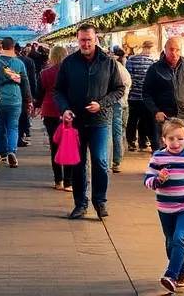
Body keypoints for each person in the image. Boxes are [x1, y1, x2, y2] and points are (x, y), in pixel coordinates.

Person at [53, 23, 125, 219]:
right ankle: (80, 203)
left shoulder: (108, 62)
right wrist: (65, 109)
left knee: (100, 160)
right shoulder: (69, 63)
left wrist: (102, 104)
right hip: (76, 122)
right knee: (78, 164)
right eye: (82, 40)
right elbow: (58, 90)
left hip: (100, 120)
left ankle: (100, 201)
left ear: (96, 39)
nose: (86, 44)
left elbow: (119, 89)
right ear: (78, 40)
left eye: (89, 40)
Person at [146, 117, 184, 292]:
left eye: (180, 138)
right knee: (170, 242)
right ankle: (183, 269)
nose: (176, 143)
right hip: (165, 207)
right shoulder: (158, 157)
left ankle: (171, 275)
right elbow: (148, 181)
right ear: (163, 139)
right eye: (171, 138)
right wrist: (158, 179)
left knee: (179, 237)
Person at [144, 37, 184, 160]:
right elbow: (146, 94)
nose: (174, 53)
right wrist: (156, 111)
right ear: (165, 49)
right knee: (163, 154)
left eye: (177, 50)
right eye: (171, 49)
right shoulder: (155, 68)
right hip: (164, 119)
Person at [0, 37, 31, 174]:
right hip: (15, 98)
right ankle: (11, 151)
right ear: (13, 47)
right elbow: (25, 83)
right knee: (12, 127)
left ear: (1, 46)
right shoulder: (19, 63)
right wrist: (29, 100)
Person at [39, 45, 74, 191]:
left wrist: (36, 105)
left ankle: (58, 180)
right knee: (69, 145)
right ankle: (69, 182)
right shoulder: (71, 72)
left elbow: (40, 92)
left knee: (55, 145)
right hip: (67, 110)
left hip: (49, 110)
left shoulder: (45, 73)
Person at [126, 40, 158, 152]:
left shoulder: (131, 59)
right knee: (145, 120)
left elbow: (128, 78)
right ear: (151, 48)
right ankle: (142, 143)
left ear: (142, 47)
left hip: (133, 96)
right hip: (146, 97)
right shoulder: (153, 61)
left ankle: (131, 142)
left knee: (132, 119)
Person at [111, 47, 132, 173]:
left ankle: (116, 159)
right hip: (122, 102)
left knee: (116, 131)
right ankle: (117, 157)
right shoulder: (122, 69)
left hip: (117, 103)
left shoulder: (115, 69)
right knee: (119, 130)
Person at [15, 41, 38, 148]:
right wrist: (33, 95)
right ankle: (21, 135)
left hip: (12, 93)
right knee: (23, 115)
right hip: (24, 92)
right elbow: (32, 79)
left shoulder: (3, 61)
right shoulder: (28, 61)